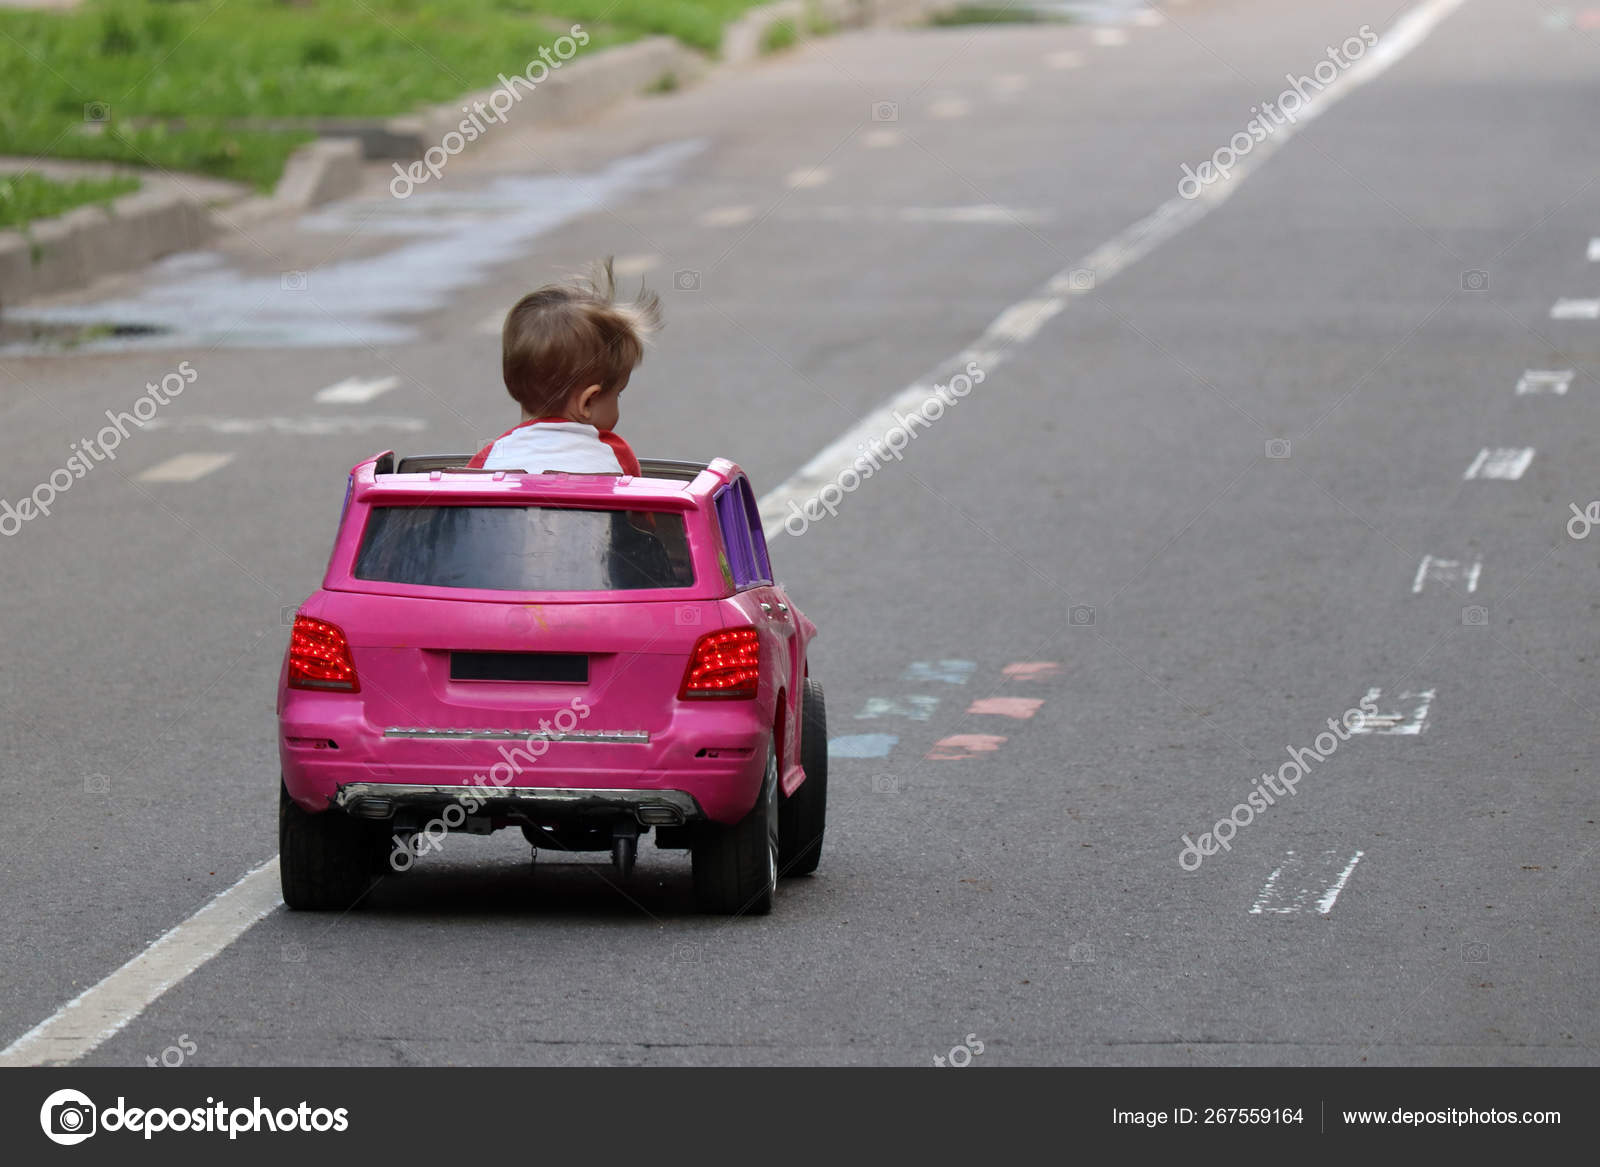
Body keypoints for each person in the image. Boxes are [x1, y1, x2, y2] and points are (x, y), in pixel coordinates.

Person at [468, 258, 660, 474]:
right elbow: (641, 507)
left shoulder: (490, 456)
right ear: (587, 402)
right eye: (618, 395)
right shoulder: (614, 453)